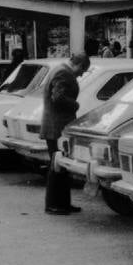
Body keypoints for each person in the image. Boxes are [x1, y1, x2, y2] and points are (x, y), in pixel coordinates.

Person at [42, 51, 90, 215]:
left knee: (61, 166)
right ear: (78, 65)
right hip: (57, 126)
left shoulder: (60, 69)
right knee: (57, 165)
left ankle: (62, 203)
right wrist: (75, 105)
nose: (81, 74)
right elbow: (58, 97)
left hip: (56, 125)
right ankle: (54, 204)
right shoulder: (63, 73)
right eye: (82, 70)